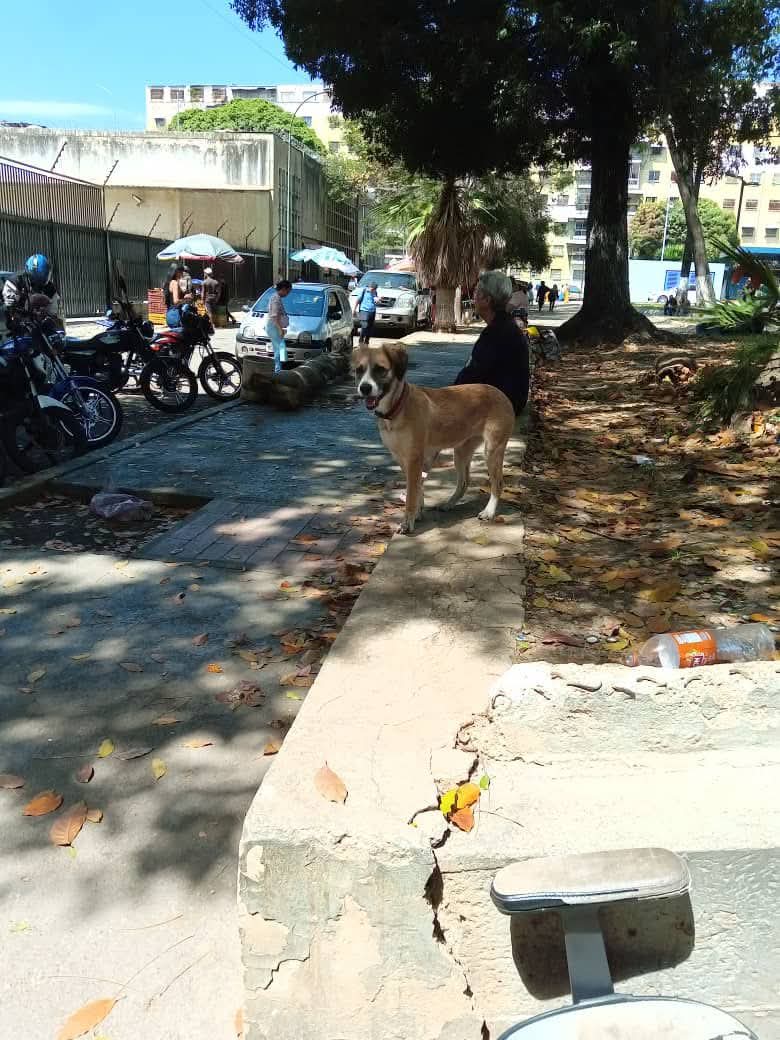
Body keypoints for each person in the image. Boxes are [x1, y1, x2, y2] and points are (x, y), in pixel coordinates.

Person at [454, 270, 530, 415]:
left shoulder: (497, 332)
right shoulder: (504, 326)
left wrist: (446, 395)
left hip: (501, 406)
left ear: (487, 300)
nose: (473, 297)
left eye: (476, 292)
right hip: (506, 400)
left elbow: (472, 375)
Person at [2, 254, 61, 323]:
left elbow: (54, 312)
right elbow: (8, 305)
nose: (38, 282)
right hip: (18, 323)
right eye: (35, 278)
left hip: (40, 324)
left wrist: (49, 318)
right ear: (28, 273)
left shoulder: (50, 288)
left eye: (41, 278)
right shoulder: (16, 281)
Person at [267, 279, 292, 373]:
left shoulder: (277, 298)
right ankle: (278, 371)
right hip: (274, 326)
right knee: (279, 349)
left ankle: (280, 369)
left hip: (276, 326)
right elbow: (274, 316)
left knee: (281, 349)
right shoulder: (275, 299)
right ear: (284, 289)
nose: (288, 294)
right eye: (288, 291)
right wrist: (280, 329)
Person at [353, 280, 378, 344]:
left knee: (370, 327)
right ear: (369, 287)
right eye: (372, 289)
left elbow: (376, 301)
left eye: (374, 289)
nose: (373, 290)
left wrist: (378, 300)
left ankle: (367, 341)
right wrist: (354, 310)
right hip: (363, 311)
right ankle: (361, 340)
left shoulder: (375, 292)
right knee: (364, 326)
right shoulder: (364, 291)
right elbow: (358, 300)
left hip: (372, 311)